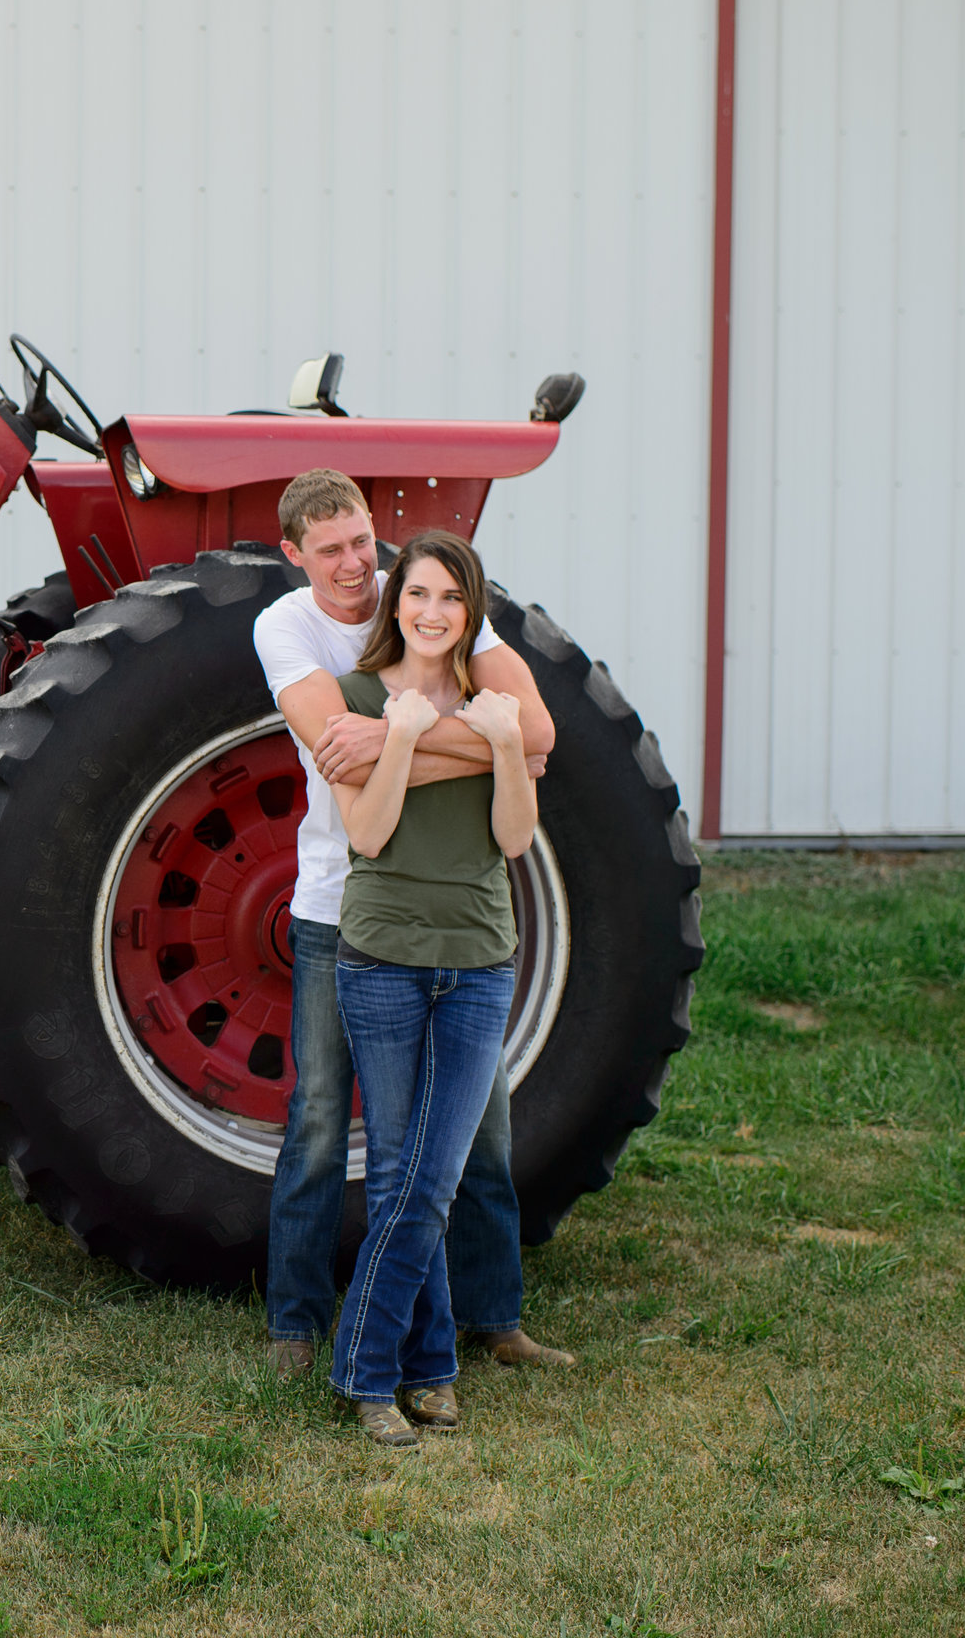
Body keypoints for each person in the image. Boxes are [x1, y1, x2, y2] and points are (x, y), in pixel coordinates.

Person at [251, 472, 572, 1382]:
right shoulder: (288, 628)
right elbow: (334, 747)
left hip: (459, 923)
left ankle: (493, 1317)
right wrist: (472, 735)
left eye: (361, 540)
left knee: (484, 1125)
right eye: (330, 549)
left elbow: (538, 735)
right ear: (295, 556)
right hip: (335, 905)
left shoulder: (428, 594)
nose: (355, 564)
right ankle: (296, 1321)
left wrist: (395, 736)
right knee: (320, 1117)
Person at [319, 528, 538, 1445]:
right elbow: (366, 833)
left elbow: (516, 838)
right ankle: (406, 1374)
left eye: (451, 598)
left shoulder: (499, 703)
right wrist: (404, 736)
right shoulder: (358, 700)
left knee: (431, 1177)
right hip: (382, 962)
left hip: (480, 962)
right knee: (409, 1174)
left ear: (470, 609)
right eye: (417, 596)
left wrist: (501, 744)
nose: (433, 613)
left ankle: (383, 1368)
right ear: (394, 605)